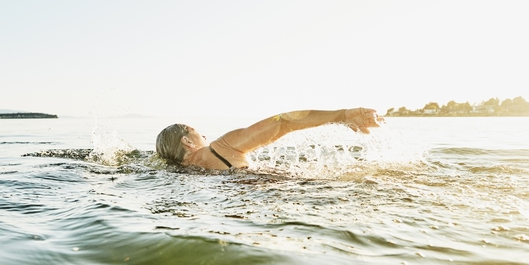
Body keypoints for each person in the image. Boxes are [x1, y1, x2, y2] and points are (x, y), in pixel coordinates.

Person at [156, 108, 383, 170]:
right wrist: (342, 116)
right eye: (196, 131)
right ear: (187, 141)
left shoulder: (181, 171)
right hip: (261, 187)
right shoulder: (220, 147)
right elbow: (284, 121)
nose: (203, 135)